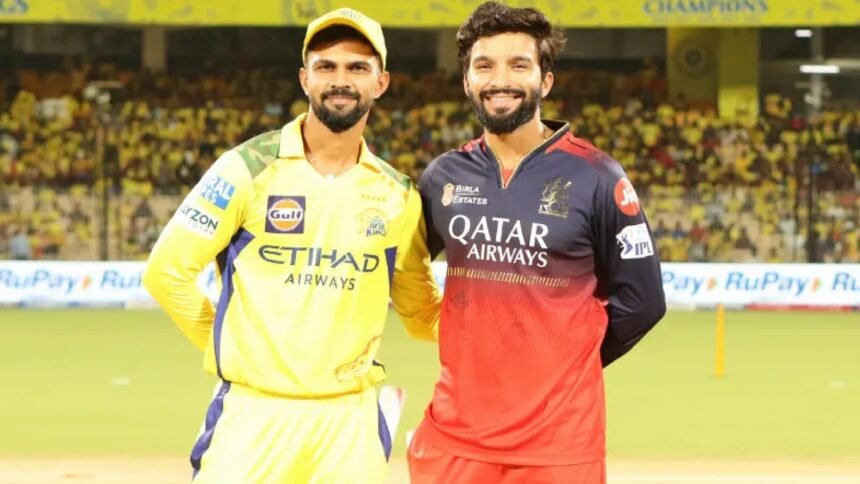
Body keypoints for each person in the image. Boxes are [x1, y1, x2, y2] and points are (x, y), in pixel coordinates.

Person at [142, 8, 441, 483]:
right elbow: (166, 273)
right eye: (326, 66)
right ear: (305, 78)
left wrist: (506, 327)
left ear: (381, 82)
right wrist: (235, 351)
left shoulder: (398, 196)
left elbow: (422, 313)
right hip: (253, 415)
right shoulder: (246, 168)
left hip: (348, 423)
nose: (340, 80)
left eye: (357, 68)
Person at [408, 2, 666, 483]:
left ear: (545, 81)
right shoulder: (443, 177)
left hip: (559, 447)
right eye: (484, 66)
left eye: (518, 65)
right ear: (466, 80)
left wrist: (567, 365)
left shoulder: (597, 175)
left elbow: (643, 301)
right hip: (454, 441)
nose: (500, 80)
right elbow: (402, 266)